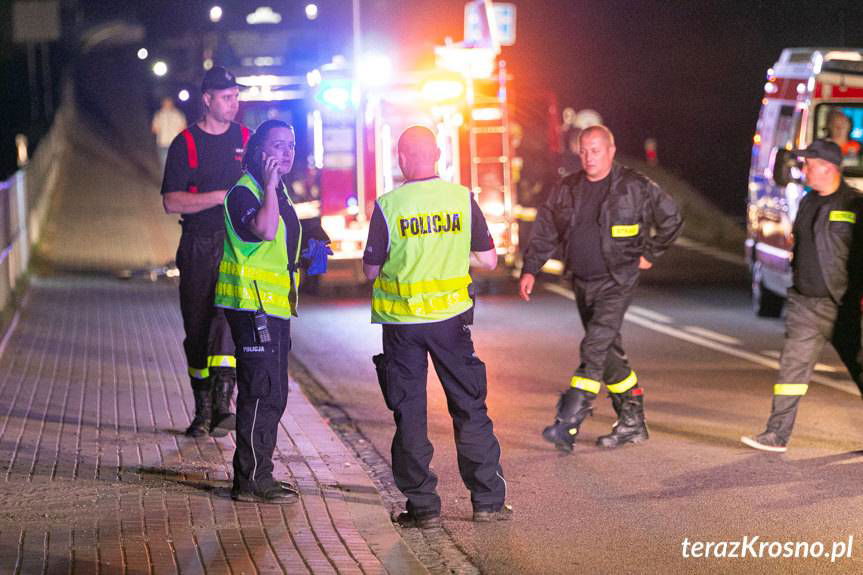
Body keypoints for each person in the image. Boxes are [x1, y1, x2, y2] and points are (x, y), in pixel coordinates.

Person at [363, 126, 511, 527]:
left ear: (402, 158)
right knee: (468, 406)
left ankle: (423, 507)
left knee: (410, 413)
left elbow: (371, 268)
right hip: (451, 323)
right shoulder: (461, 199)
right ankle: (487, 503)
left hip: (402, 323)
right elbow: (489, 261)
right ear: (439, 155)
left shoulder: (389, 206)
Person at [520, 125, 683, 453]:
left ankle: (567, 424)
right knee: (608, 352)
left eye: (596, 150)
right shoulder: (569, 188)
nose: (589, 157)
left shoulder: (634, 186)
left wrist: (650, 253)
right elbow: (546, 227)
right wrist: (531, 268)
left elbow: (672, 218)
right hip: (582, 281)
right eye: (584, 150)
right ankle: (632, 422)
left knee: (594, 348)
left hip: (617, 281)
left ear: (611, 151)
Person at [215, 119, 327, 502]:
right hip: (251, 306)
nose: (287, 152)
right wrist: (267, 185)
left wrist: (314, 243)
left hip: (273, 307)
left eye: (291, 145)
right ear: (259, 152)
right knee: (260, 392)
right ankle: (248, 479)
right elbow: (264, 230)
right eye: (278, 145)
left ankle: (261, 472)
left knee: (274, 392)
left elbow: (283, 239)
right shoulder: (244, 193)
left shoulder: (279, 193)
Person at [742, 139, 863, 453]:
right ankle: (776, 434)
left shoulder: (855, 205)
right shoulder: (808, 201)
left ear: (828, 167)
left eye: (809, 164)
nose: (803, 169)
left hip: (843, 307)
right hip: (805, 304)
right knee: (791, 371)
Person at [161, 67, 249, 437]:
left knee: (228, 322)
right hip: (198, 245)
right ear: (208, 99)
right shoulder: (186, 143)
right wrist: (218, 197)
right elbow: (170, 201)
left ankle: (222, 404)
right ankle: (201, 409)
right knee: (197, 329)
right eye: (227, 97)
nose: (234, 102)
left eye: (236, 96)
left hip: (237, 247)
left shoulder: (247, 138)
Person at [152, 97, 187, 169]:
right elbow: (183, 129)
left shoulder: (159, 115)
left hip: (165, 143)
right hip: (168, 143)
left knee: (166, 166)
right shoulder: (178, 114)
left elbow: (154, 129)